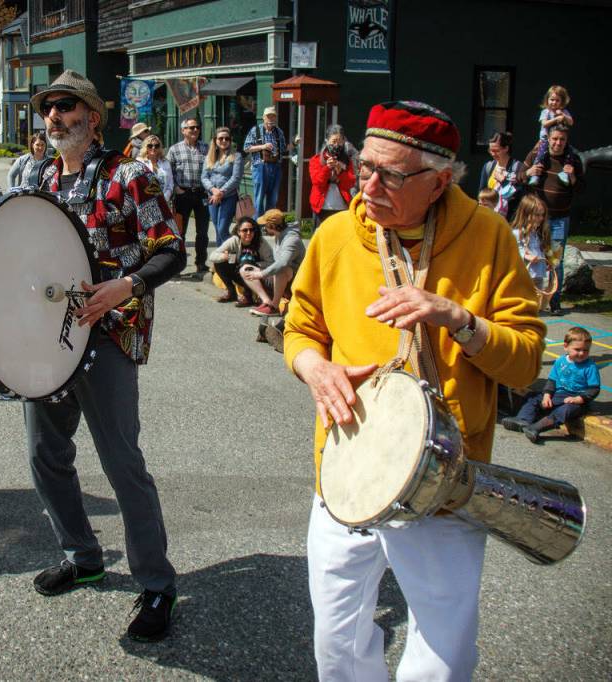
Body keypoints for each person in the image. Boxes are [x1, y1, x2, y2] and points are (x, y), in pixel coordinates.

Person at [283, 100, 545, 681]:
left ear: (440, 181)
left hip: (447, 478)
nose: (369, 184)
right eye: (364, 164)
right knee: (336, 638)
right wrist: (314, 369)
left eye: (392, 174)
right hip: (348, 465)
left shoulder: (490, 236)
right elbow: (300, 328)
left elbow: (525, 364)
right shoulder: (334, 235)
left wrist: (460, 319)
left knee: (443, 650)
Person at [27, 70, 185, 642]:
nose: (54, 117)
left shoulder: (129, 175)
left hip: (110, 333)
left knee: (122, 465)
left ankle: (157, 584)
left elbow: (171, 251)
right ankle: (83, 555)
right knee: (45, 454)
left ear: (93, 118)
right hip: (49, 338)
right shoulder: (39, 177)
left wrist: (126, 286)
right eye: (48, 109)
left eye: (66, 108)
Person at [525, 125, 585, 315]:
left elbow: (581, 189)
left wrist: (572, 176)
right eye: (555, 139)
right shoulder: (537, 154)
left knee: (554, 261)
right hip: (536, 218)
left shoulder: (572, 159)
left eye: (562, 140)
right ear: (548, 139)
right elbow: (519, 177)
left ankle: (555, 302)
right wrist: (529, 172)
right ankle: (530, 300)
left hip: (559, 219)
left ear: (566, 141)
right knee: (532, 256)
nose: (558, 143)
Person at [502, 327, 599, 443]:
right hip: (558, 395)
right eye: (577, 349)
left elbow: (594, 389)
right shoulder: (560, 361)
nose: (582, 353)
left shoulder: (590, 367)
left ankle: (537, 427)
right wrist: (547, 395)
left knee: (566, 411)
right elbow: (552, 381)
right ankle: (523, 419)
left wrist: (580, 398)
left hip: (576, 400)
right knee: (533, 397)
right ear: (566, 346)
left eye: (586, 350)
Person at [166, 117, 210, 277]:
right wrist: (176, 189)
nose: (195, 130)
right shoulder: (174, 149)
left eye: (197, 127)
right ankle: (178, 266)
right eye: (191, 128)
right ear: (183, 130)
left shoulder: (206, 148)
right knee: (180, 233)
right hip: (182, 194)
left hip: (201, 194)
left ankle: (201, 263)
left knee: (203, 232)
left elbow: (212, 168)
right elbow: (168, 172)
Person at [250, 208, 305, 316]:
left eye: (265, 225)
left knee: (281, 270)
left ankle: (274, 307)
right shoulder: (279, 235)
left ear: (272, 226)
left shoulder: (291, 239)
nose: (264, 228)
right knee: (249, 269)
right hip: (281, 280)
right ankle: (266, 301)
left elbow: (282, 263)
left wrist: (261, 273)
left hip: (297, 281)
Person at [208, 215, 272, 307]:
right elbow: (213, 255)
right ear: (238, 232)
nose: (248, 233)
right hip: (239, 272)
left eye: (251, 230)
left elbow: (271, 262)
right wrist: (225, 256)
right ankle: (231, 292)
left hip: (257, 274)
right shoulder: (234, 240)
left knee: (247, 263)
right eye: (245, 230)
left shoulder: (260, 242)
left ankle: (248, 296)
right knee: (219, 263)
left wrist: (255, 265)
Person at [201, 126, 244, 246]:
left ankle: (236, 251)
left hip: (229, 197)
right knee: (217, 229)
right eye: (220, 138)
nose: (224, 141)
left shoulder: (237, 156)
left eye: (226, 138)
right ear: (215, 140)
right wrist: (213, 190)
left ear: (230, 140)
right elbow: (204, 177)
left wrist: (220, 192)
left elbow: (236, 178)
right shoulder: (209, 157)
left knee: (222, 229)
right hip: (212, 197)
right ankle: (221, 260)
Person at [244, 106, 289, 216]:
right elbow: (246, 148)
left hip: (276, 167)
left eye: (273, 116)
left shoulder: (279, 131)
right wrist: (263, 146)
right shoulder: (256, 130)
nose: (271, 119)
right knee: (259, 198)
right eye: (269, 116)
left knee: (273, 198)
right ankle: (258, 224)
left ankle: (268, 224)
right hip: (260, 167)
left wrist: (294, 144)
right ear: (264, 118)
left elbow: (283, 149)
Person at [308, 125, 356, 228]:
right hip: (322, 207)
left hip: (342, 207)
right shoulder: (316, 159)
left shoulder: (347, 160)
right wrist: (327, 167)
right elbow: (317, 182)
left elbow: (351, 182)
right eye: (334, 141)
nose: (337, 144)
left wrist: (340, 173)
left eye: (340, 141)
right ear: (327, 141)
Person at [528, 85, 575, 187]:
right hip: (545, 139)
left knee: (569, 153)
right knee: (541, 155)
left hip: (561, 138)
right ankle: (535, 174)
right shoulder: (546, 112)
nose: (554, 102)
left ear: (562, 102)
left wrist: (564, 116)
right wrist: (556, 119)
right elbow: (544, 124)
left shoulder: (564, 112)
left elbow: (571, 122)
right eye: (552, 99)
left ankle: (565, 173)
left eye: (557, 100)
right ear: (547, 100)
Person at [508, 193, 552, 291]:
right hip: (523, 276)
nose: (541, 218)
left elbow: (541, 250)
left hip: (538, 275)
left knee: (537, 301)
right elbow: (511, 252)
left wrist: (548, 261)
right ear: (526, 214)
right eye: (537, 215)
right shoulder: (517, 233)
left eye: (542, 215)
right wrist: (525, 255)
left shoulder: (538, 233)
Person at [477, 131, 525, 218]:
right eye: (490, 150)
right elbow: (482, 192)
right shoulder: (488, 167)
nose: (492, 153)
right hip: (490, 217)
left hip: (510, 218)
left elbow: (519, 195)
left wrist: (503, 181)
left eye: (496, 150)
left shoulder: (517, 167)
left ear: (506, 148)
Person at [136, 134, 173, 203]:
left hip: (164, 201)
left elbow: (170, 184)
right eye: (150, 146)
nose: (153, 148)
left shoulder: (165, 162)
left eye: (156, 146)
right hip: (145, 202)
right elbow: (137, 183)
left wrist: (165, 197)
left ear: (160, 148)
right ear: (145, 147)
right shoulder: (139, 162)